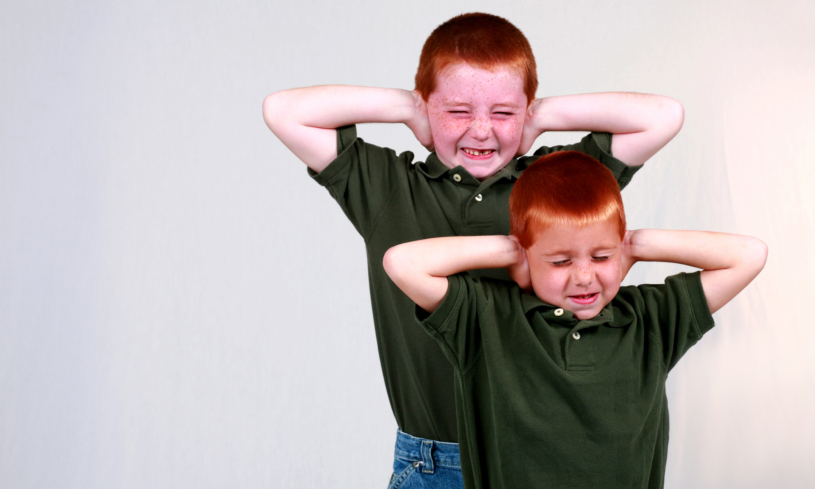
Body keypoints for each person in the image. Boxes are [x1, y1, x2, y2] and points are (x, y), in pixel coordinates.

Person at [263, 12, 684, 488]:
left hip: (537, 454)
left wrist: (539, 116)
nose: (482, 131)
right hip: (436, 460)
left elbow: (663, 116)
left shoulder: (555, 185)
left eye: (503, 113)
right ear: (428, 109)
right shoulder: (387, 187)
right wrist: (410, 108)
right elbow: (283, 110)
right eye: (458, 111)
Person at [383, 151, 768, 488]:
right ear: (527, 256)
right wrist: (511, 250)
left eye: (601, 257)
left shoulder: (651, 319)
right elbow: (401, 263)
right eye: (561, 261)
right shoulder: (487, 318)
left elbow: (749, 255)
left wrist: (637, 243)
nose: (584, 276)